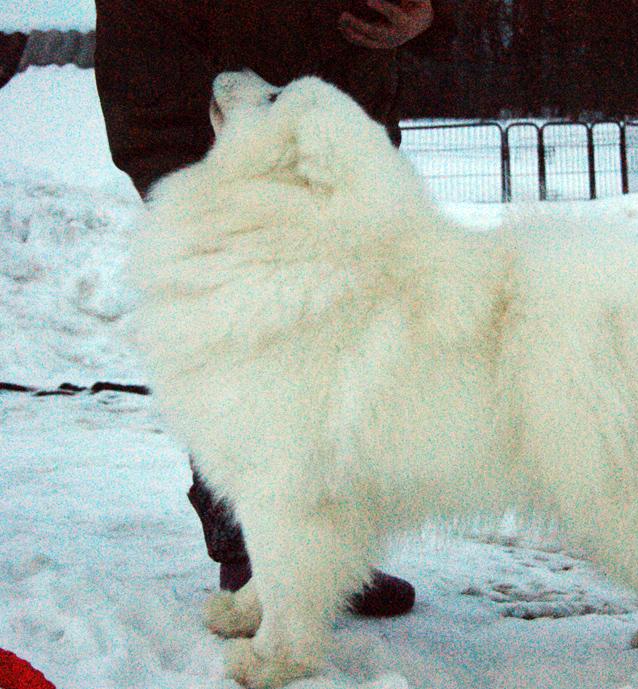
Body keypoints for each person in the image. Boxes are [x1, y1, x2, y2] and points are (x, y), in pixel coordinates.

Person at [94, 0, 450, 617]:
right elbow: (141, 72)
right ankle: (256, 557)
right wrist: (205, 196)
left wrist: (435, 16)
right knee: (245, 388)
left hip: (343, 161)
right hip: (229, 166)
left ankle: (331, 559)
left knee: (349, 392)